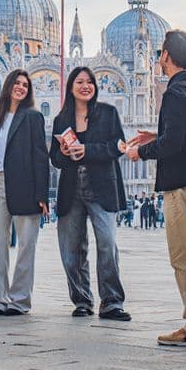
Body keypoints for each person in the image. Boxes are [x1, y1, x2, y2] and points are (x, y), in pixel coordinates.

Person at [126, 29, 186, 347]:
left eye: (160, 53)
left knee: (184, 257)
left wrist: (142, 151)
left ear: (165, 55)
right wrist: (158, 135)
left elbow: (175, 144)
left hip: (182, 185)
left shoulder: (176, 93)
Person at [49, 66, 131, 321]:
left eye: (90, 82)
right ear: (70, 87)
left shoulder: (107, 113)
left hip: (101, 186)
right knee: (71, 249)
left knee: (107, 244)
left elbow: (119, 146)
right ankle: (82, 300)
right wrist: (63, 153)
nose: (85, 86)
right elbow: (54, 158)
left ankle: (111, 302)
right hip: (71, 188)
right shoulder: (61, 120)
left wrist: (88, 150)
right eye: (79, 82)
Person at [0, 69, 49, 317]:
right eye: (16, 83)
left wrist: (42, 194)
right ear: (8, 86)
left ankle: (20, 299)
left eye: (25, 85)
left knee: (26, 244)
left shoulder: (33, 117)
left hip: (25, 185)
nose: (21, 87)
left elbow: (40, 157)